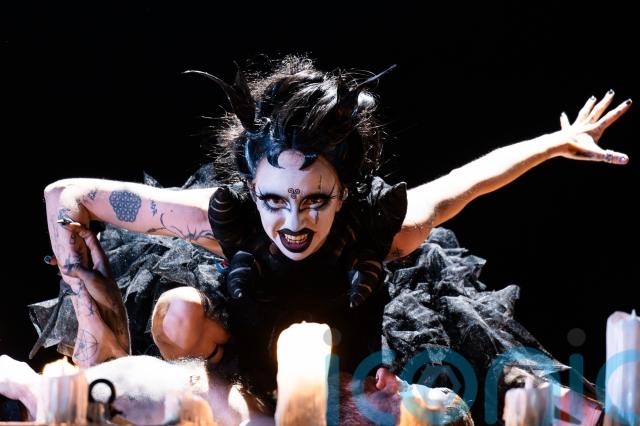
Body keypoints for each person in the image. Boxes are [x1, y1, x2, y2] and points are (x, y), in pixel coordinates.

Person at [30, 55, 631, 421]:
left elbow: (468, 181)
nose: (294, 223)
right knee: (179, 310)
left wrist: (556, 143)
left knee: (458, 394)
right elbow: (65, 196)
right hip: (242, 372)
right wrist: (94, 327)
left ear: (345, 192)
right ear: (252, 188)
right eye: (274, 200)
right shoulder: (224, 219)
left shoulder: (385, 228)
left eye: (315, 200)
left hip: (348, 373)